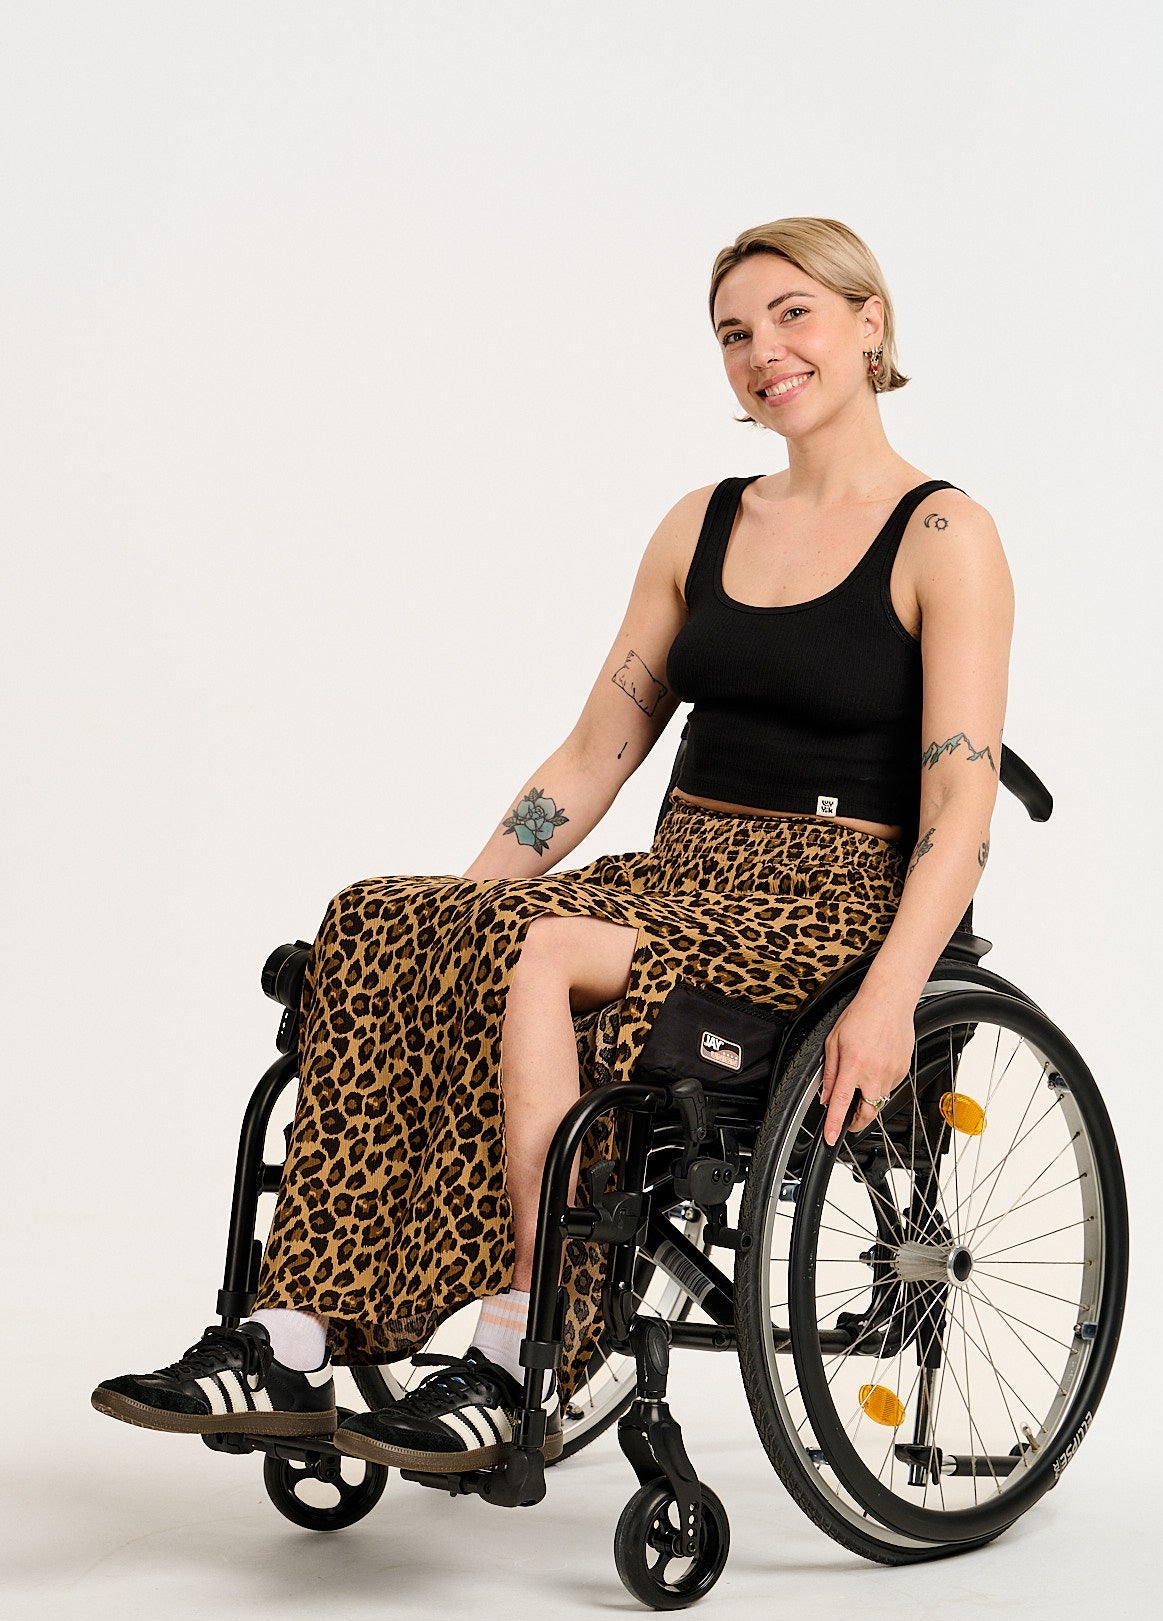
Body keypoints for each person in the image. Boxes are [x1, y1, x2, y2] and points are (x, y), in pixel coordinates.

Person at [91, 214, 1014, 1478]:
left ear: (869, 321)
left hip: (829, 897)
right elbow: (592, 755)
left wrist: (892, 995)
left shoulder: (943, 536)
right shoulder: (701, 523)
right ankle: (287, 1336)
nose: (763, 351)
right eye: (733, 332)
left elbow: (959, 804)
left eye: (792, 313)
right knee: (377, 912)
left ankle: (515, 1348)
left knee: (535, 952)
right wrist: (445, 926)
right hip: (681, 874)